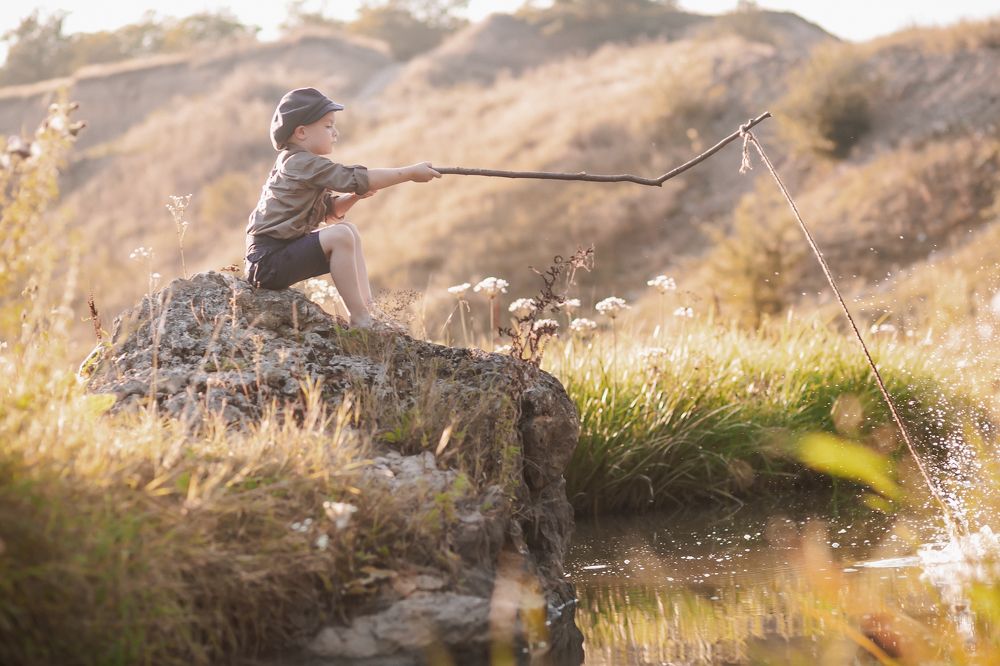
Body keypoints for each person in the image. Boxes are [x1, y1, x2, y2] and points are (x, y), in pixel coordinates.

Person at [245, 87, 440, 327]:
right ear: (302, 132)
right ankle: (359, 317)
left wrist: (354, 197)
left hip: (281, 255)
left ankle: (369, 310)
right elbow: (356, 178)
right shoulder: (299, 162)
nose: (335, 133)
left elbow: (330, 212)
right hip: (267, 262)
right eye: (328, 126)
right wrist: (409, 173)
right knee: (340, 236)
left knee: (349, 231)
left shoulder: (305, 166)